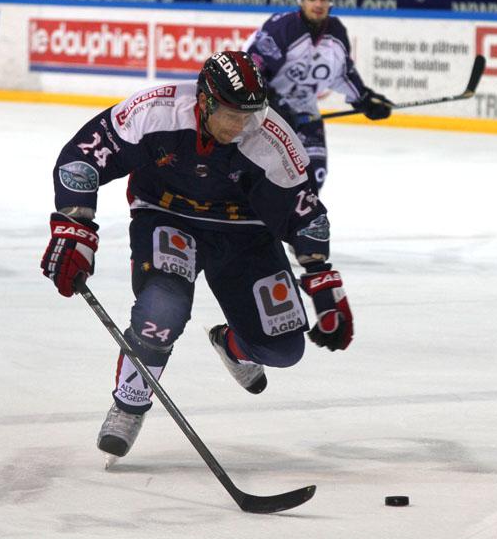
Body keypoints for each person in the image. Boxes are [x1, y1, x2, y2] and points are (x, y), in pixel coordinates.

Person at [41, 51, 354, 462]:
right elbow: (82, 156)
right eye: (230, 114)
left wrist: (323, 281)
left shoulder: (271, 139)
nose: (241, 125)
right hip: (165, 213)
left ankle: (231, 344)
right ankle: (129, 404)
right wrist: (75, 225)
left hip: (245, 232)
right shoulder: (156, 111)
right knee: (162, 309)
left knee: (283, 349)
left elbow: (304, 213)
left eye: (250, 115)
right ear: (204, 101)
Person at [244, 0, 392, 191]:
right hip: (265, 112)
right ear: (301, 0)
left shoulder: (336, 32)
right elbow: (250, 73)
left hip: (305, 110)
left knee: (315, 172)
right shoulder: (281, 29)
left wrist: (364, 99)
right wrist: (271, 106)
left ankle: (303, 222)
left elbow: (342, 74)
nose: (318, 4)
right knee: (265, 174)